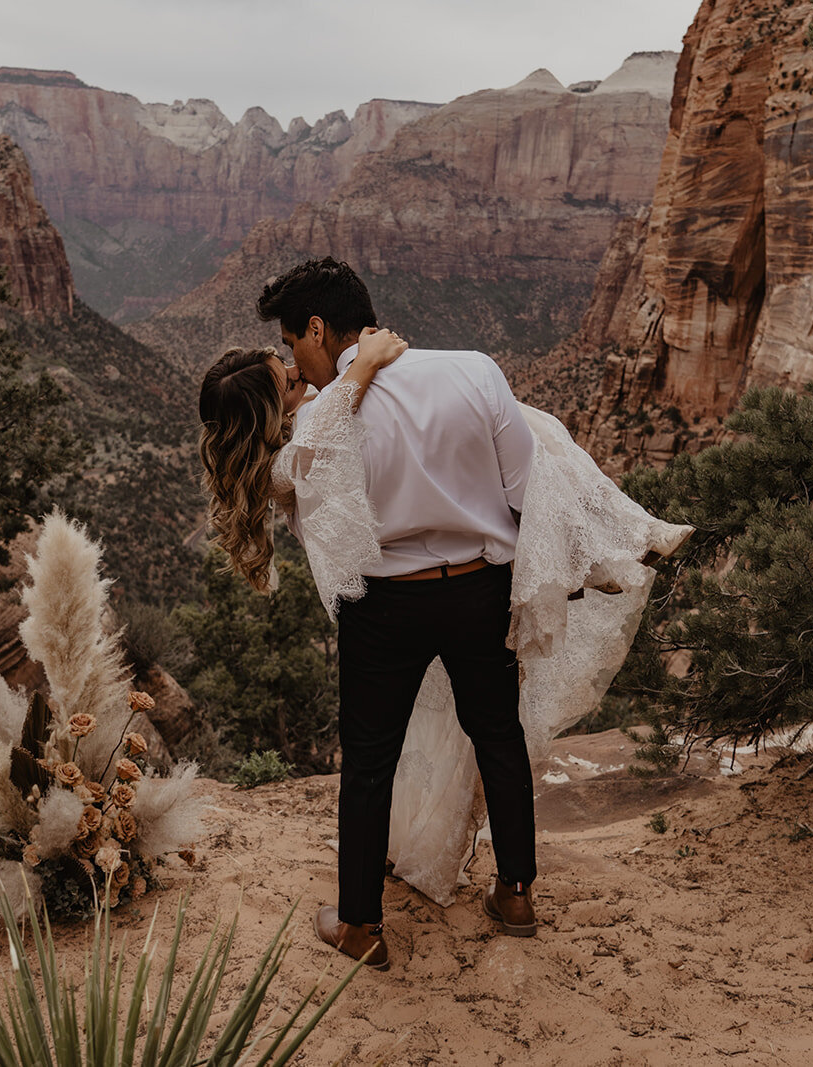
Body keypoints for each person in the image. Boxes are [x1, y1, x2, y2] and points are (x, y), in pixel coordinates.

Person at [198, 258, 691, 972]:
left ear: (314, 328)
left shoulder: (309, 436)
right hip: (476, 588)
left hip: (382, 607)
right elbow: (528, 490)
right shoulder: (473, 370)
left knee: (369, 763)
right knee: (498, 736)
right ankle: (515, 892)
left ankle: (361, 925)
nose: (291, 361)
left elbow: (326, 517)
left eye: (289, 342)